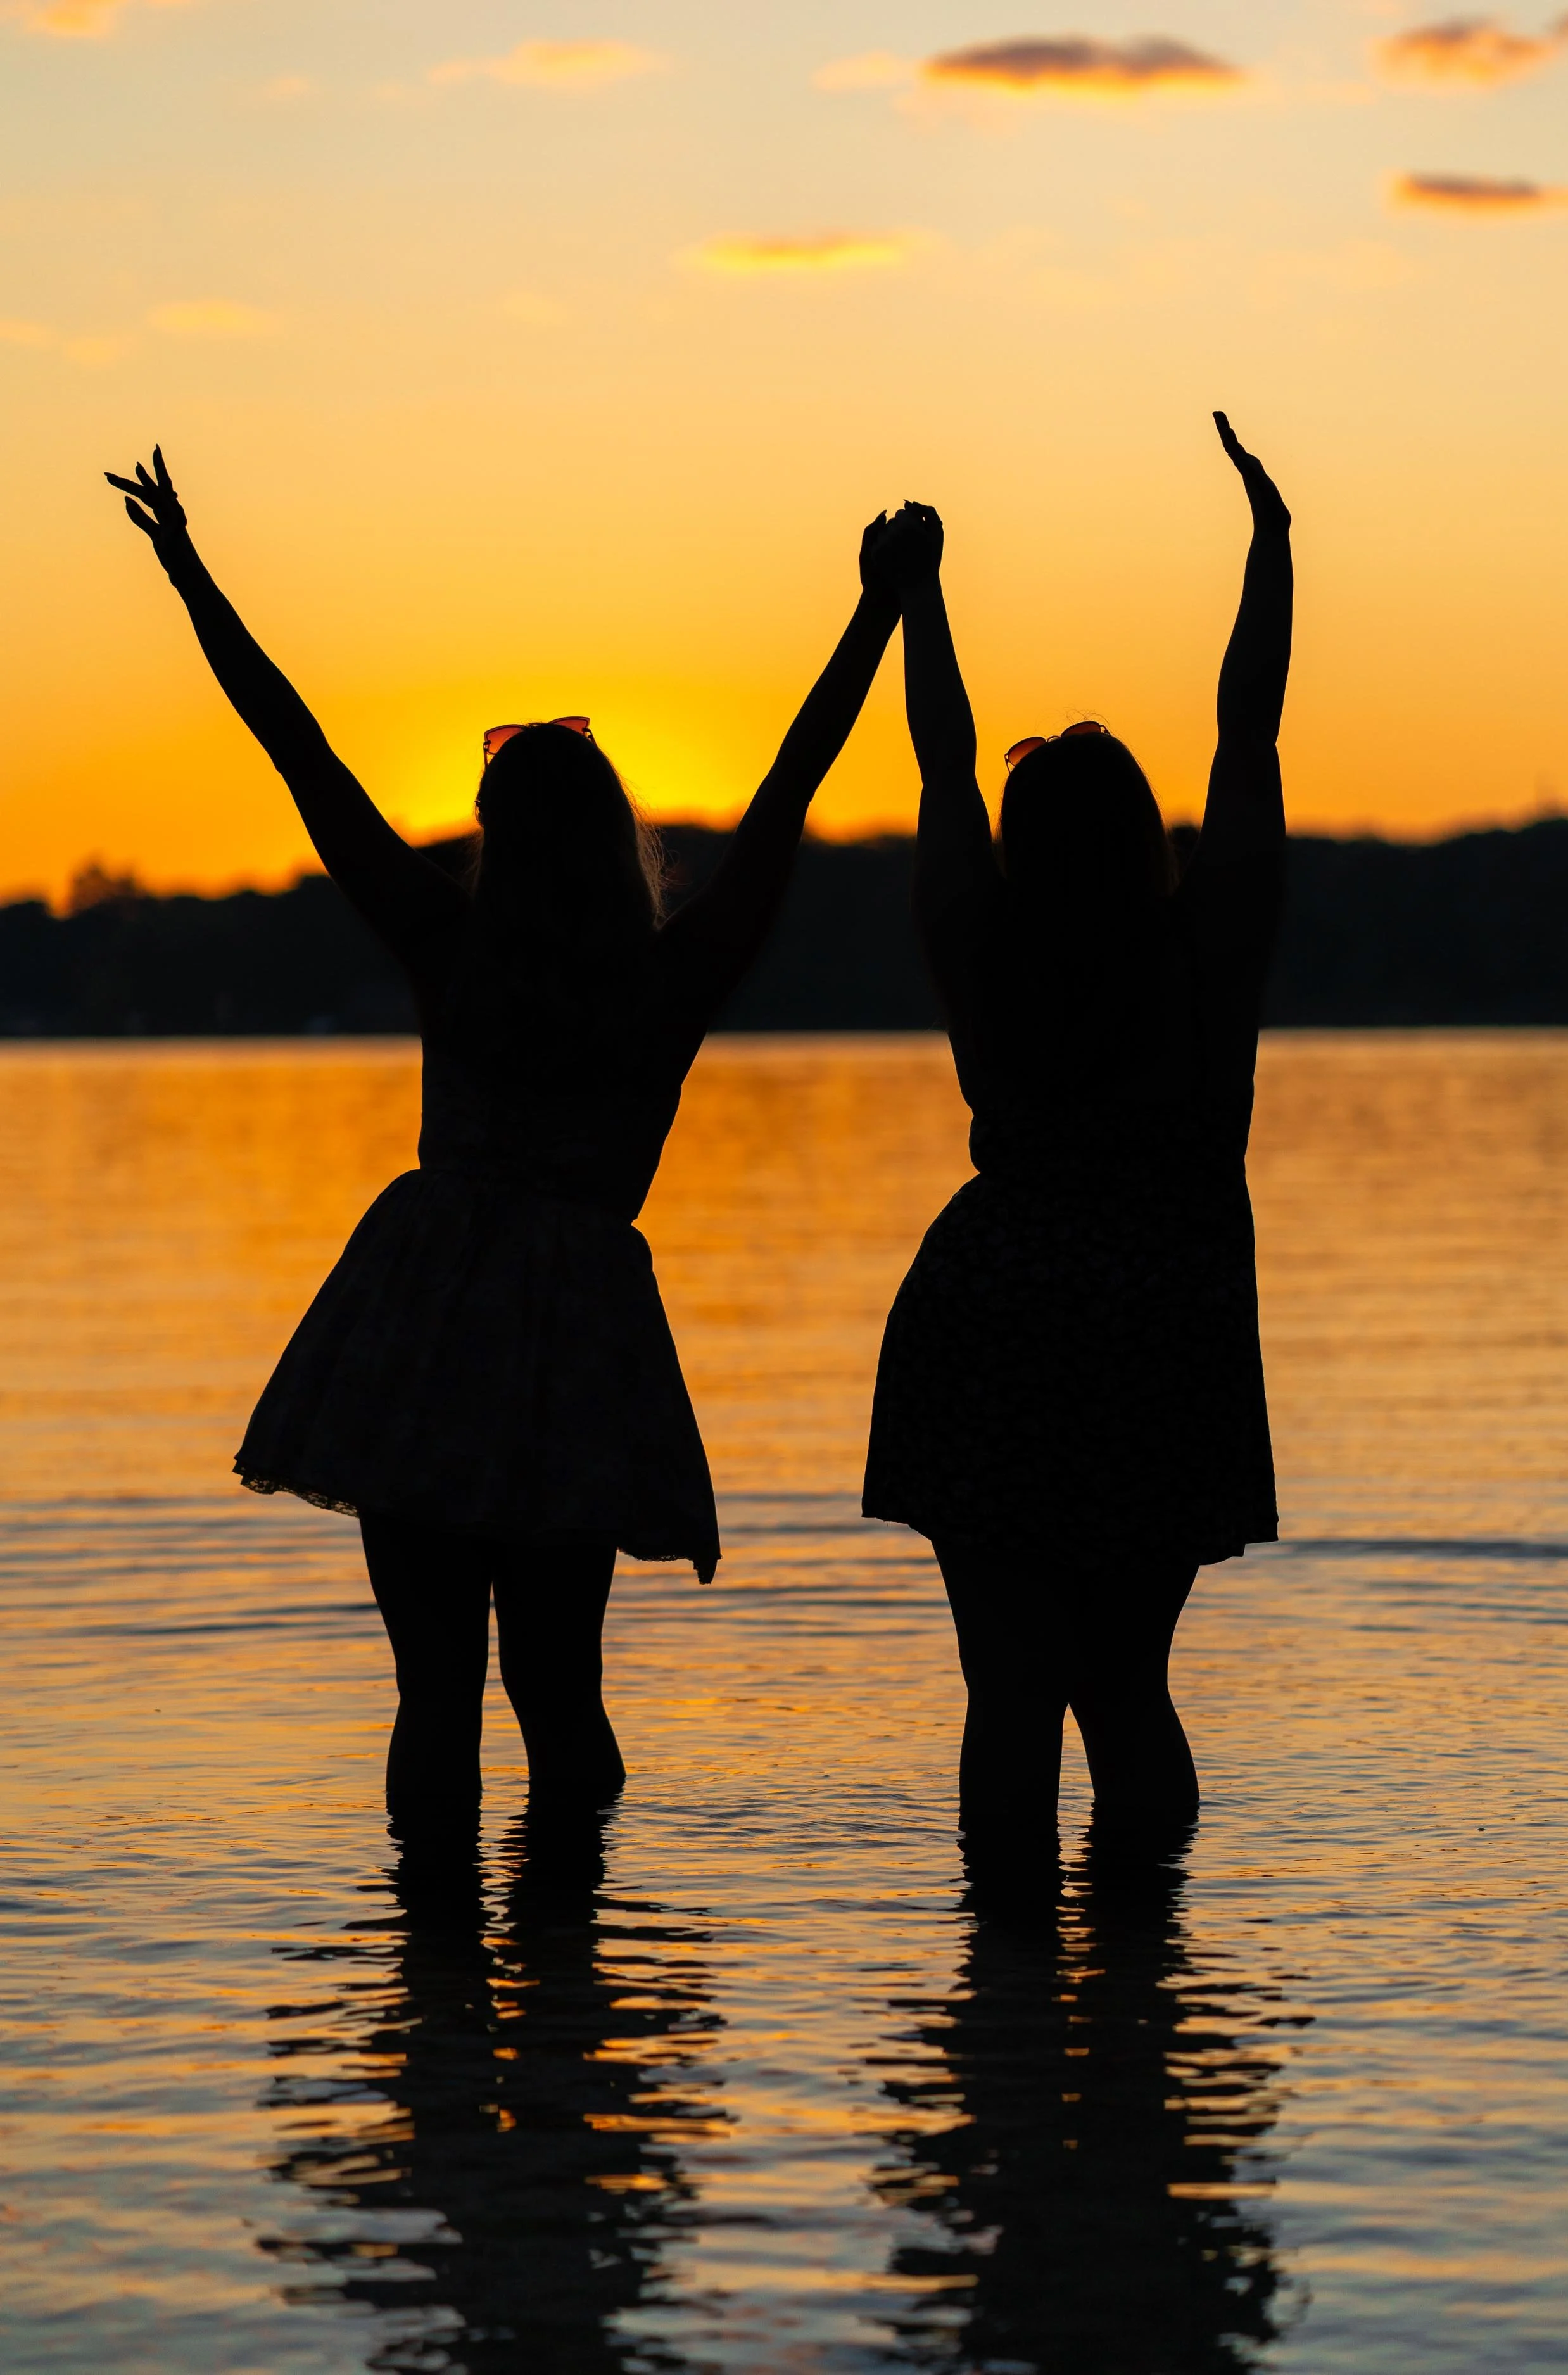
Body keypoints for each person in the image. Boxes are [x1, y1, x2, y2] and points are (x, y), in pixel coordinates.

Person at [108, 446, 906, 1827]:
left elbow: (297, 751)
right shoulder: (668, 983)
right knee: (561, 1697)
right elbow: (786, 792)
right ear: (613, 839)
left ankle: (432, 1996)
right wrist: (875, 616)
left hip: (426, 1320)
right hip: (575, 1339)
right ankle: (565, 1981)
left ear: (489, 836)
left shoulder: (446, 947)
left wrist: (189, 573)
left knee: (433, 1698)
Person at [862, 414, 1291, 1839]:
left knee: (1007, 1695)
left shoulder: (983, 946)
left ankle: (1003, 2004)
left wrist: (919, 599)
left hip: (990, 1317)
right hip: (1163, 1326)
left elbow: (938, 765)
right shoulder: (1203, 960)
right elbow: (1247, 730)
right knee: (1125, 1690)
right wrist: (1269, 550)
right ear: (1143, 841)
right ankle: (1136, 2019)